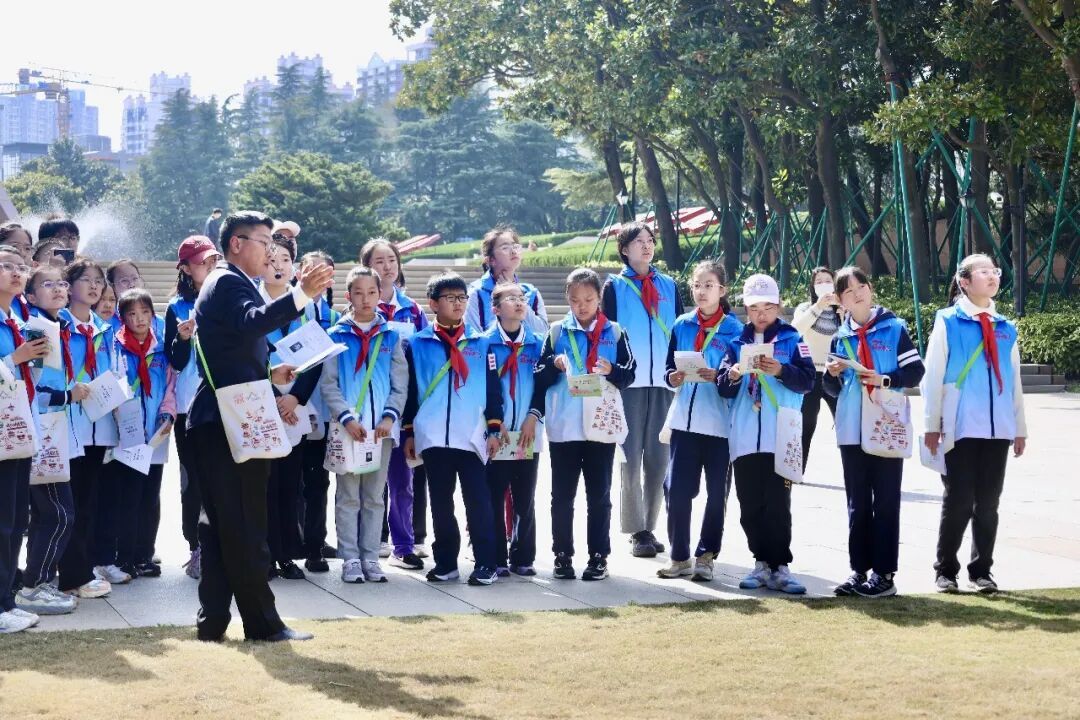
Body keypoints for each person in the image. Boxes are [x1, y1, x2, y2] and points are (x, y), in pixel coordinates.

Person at [187, 210, 333, 642]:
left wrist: (269, 373)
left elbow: (229, 351)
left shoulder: (228, 282)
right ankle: (262, 624)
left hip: (220, 417)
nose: (271, 252)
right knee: (245, 524)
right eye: (264, 242)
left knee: (220, 525)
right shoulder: (227, 282)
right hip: (227, 420)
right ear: (236, 243)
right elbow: (253, 323)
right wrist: (301, 293)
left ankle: (213, 621)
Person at [922, 253, 1027, 595]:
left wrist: (1019, 428)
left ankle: (982, 571)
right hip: (960, 425)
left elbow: (1014, 379)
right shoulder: (948, 321)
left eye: (994, 271)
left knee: (989, 503)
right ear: (964, 282)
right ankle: (945, 570)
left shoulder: (1005, 326)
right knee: (959, 499)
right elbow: (933, 374)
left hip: (998, 429)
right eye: (983, 271)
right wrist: (932, 424)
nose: (992, 276)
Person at [823, 266, 924, 598]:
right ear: (841, 301)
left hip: (885, 425)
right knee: (857, 503)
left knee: (886, 500)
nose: (857, 294)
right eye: (848, 291)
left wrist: (885, 379)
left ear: (870, 289)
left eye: (861, 286)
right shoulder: (840, 337)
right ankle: (859, 570)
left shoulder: (894, 328)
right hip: (852, 428)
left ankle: (884, 573)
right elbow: (831, 390)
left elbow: (915, 371)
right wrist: (832, 374)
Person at [531, 268, 636, 581]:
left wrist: (612, 369)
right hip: (564, 426)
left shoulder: (615, 332)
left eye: (589, 299)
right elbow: (539, 374)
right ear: (568, 299)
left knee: (599, 495)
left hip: (601, 426)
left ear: (599, 297)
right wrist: (554, 363)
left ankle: (598, 557)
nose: (582, 306)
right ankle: (562, 555)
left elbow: (630, 373)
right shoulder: (556, 332)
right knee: (562, 496)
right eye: (575, 300)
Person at [401, 272, 504, 587]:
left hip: (471, 436)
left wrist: (494, 428)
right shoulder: (416, 343)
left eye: (462, 298)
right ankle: (446, 562)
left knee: (478, 501)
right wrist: (409, 431)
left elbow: (493, 389)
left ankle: (486, 563)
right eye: (450, 298)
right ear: (433, 304)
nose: (458, 303)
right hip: (433, 436)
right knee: (440, 502)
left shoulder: (482, 342)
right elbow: (410, 391)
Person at [719, 274, 815, 594]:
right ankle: (760, 563)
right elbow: (722, 387)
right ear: (746, 309)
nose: (761, 314)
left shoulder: (793, 339)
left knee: (778, 503)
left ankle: (780, 566)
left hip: (781, 433)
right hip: (745, 434)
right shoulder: (736, 342)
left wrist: (781, 370)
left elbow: (808, 381)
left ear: (779, 306)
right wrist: (733, 374)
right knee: (749, 503)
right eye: (754, 308)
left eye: (768, 307)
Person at [656, 260, 742, 581]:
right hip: (684, 423)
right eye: (696, 285)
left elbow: (739, 379)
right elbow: (668, 367)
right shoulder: (682, 324)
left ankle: (706, 556)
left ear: (722, 290)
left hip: (720, 426)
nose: (701, 291)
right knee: (675, 489)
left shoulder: (735, 331)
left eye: (708, 285)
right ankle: (679, 557)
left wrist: (719, 376)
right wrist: (673, 377)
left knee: (717, 494)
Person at [321, 267, 408, 583]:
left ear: (380, 294)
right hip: (349, 430)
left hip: (381, 431)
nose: (366, 299)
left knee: (374, 496)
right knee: (348, 496)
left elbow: (400, 382)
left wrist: (389, 416)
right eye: (358, 293)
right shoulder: (336, 335)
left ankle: (371, 557)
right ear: (349, 296)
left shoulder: (391, 336)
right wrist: (346, 418)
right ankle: (350, 559)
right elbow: (329, 383)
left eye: (372, 292)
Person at [602, 222, 682, 558]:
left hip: (663, 382)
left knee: (660, 460)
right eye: (638, 241)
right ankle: (637, 530)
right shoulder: (614, 287)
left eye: (650, 240)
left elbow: (679, 329)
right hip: (629, 384)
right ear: (624, 249)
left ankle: (650, 525)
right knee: (631, 459)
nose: (646, 246)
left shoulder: (669, 285)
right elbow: (606, 334)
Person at [15, 266, 82, 617]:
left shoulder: (57, 325)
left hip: (52, 430)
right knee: (58, 513)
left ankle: (36, 583)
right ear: (30, 296)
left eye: (61, 283)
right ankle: (34, 587)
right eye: (46, 284)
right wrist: (69, 396)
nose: (57, 289)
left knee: (50, 513)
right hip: (41, 430)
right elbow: (35, 389)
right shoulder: (36, 329)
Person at [360, 237, 429, 565]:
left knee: (403, 479)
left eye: (391, 260)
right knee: (369, 480)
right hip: (370, 405)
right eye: (379, 261)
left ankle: (403, 545)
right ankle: (371, 542)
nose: (387, 267)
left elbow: (424, 353)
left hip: (404, 405)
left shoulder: (412, 309)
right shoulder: (361, 310)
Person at [261, 234, 322, 581]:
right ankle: (265, 555)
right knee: (264, 486)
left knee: (290, 485)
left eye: (285, 260)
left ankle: (287, 554)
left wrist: (295, 398)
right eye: (271, 259)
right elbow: (246, 359)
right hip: (261, 402)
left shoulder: (306, 305)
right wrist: (274, 395)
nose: (278, 266)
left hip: (295, 406)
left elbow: (316, 358)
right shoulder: (251, 305)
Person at [58, 258, 117, 598]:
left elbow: (113, 371)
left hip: (99, 423)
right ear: (69, 286)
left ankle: (81, 569)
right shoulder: (59, 324)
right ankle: (71, 575)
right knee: (70, 503)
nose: (94, 286)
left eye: (98, 280)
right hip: (70, 423)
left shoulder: (104, 329)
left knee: (88, 500)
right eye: (86, 280)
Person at [108, 289, 176, 580]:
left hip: (156, 433)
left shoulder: (161, 347)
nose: (139, 319)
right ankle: (124, 557)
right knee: (128, 497)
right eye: (132, 314)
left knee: (150, 496)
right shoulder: (115, 346)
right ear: (122, 318)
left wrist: (168, 414)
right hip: (128, 433)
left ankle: (144, 555)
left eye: (145, 312)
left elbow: (170, 385)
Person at [165, 236, 221, 580]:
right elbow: (174, 360)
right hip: (190, 408)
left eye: (213, 259)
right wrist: (183, 339)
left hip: (226, 401)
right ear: (185, 269)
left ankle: (223, 547)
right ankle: (196, 547)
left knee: (224, 479)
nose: (210, 266)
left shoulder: (227, 296)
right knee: (193, 482)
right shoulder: (176, 307)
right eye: (202, 262)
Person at [0, 244, 49, 633]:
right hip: (3, 428)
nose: (16, 272)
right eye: (6, 266)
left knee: (16, 518)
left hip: (19, 426)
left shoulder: (17, 319)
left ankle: (7, 599)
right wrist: (13, 359)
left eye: (20, 266)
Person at [485, 282, 545, 577]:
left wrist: (533, 417)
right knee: (494, 497)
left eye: (522, 298)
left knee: (525, 498)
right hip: (496, 436)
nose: (519, 302)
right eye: (511, 298)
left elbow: (544, 387)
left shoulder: (538, 344)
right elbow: (483, 390)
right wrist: (493, 427)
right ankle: (496, 556)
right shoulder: (484, 344)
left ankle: (523, 556)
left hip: (527, 434)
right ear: (496, 309)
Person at [295, 250, 341, 574]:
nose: (315, 275)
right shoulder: (287, 311)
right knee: (288, 483)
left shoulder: (336, 319)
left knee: (317, 482)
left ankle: (315, 546)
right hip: (289, 407)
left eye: (322, 271)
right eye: (309, 269)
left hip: (322, 412)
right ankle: (289, 542)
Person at [791, 266, 841, 468]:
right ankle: (795, 471)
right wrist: (819, 306)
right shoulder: (806, 308)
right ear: (812, 286)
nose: (823, 285)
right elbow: (795, 330)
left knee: (845, 424)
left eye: (827, 281)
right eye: (818, 282)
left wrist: (844, 313)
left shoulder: (841, 310)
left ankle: (855, 472)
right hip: (810, 375)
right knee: (805, 425)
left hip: (835, 375)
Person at [465, 225, 548, 334]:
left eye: (515, 246)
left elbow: (543, 332)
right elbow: (473, 336)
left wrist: (518, 298)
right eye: (505, 248)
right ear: (491, 260)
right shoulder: (476, 293)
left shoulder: (531, 292)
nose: (513, 251)